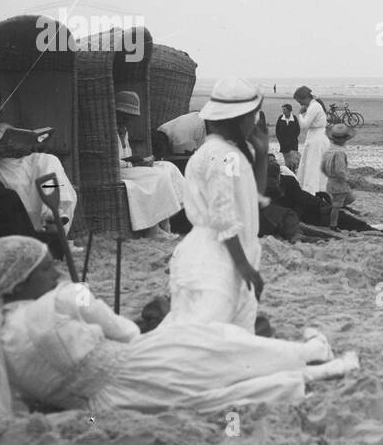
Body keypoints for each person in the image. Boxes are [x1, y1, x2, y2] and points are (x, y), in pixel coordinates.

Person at [0, 236, 357, 421]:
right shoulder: (64, 298)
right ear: (23, 279)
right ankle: (312, 356)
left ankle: (314, 364)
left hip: (101, 406)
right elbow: (126, 332)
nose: (56, 270)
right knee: (215, 345)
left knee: (217, 391)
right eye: (47, 267)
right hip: (136, 364)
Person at [164, 78, 273, 332]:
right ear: (239, 119)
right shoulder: (222, 155)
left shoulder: (226, 152)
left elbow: (251, 199)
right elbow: (223, 217)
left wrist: (261, 155)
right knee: (206, 337)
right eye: (252, 117)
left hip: (227, 253)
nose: (255, 123)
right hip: (215, 257)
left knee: (231, 337)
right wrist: (244, 266)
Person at [115, 90, 185, 236]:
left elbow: (127, 156)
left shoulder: (124, 131)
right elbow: (111, 161)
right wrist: (133, 164)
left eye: (129, 117)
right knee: (158, 176)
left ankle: (165, 221)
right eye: (124, 116)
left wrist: (140, 161)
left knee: (168, 167)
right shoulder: (109, 131)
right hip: (119, 170)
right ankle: (153, 228)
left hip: (129, 167)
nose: (127, 120)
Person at [293, 86, 329, 196]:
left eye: (299, 101)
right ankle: (315, 190)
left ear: (305, 98)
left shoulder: (314, 106)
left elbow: (304, 125)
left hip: (317, 139)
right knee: (312, 164)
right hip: (315, 137)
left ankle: (312, 191)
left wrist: (300, 114)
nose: (300, 104)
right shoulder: (314, 106)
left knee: (313, 165)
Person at [321, 123, 354, 228]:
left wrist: (329, 175)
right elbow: (340, 170)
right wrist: (348, 179)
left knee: (339, 201)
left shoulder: (329, 150)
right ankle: (333, 225)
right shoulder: (340, 152)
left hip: (330, 181)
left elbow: (323, 167)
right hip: (339, 182)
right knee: (338, 204)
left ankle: (332, 214)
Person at [275, 103, 301, 170]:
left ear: (289, 110)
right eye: (283, 109)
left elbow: (298, 130)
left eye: (284, 109)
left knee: (294, 162)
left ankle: (294, 173)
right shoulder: (280, 118)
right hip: (283, 144)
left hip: (293, 143)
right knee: (287, 162)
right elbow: (277, 131)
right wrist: (281, 141)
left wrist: (292, 139)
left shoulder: (294, 118)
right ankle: (289, 174)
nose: (283, 111)